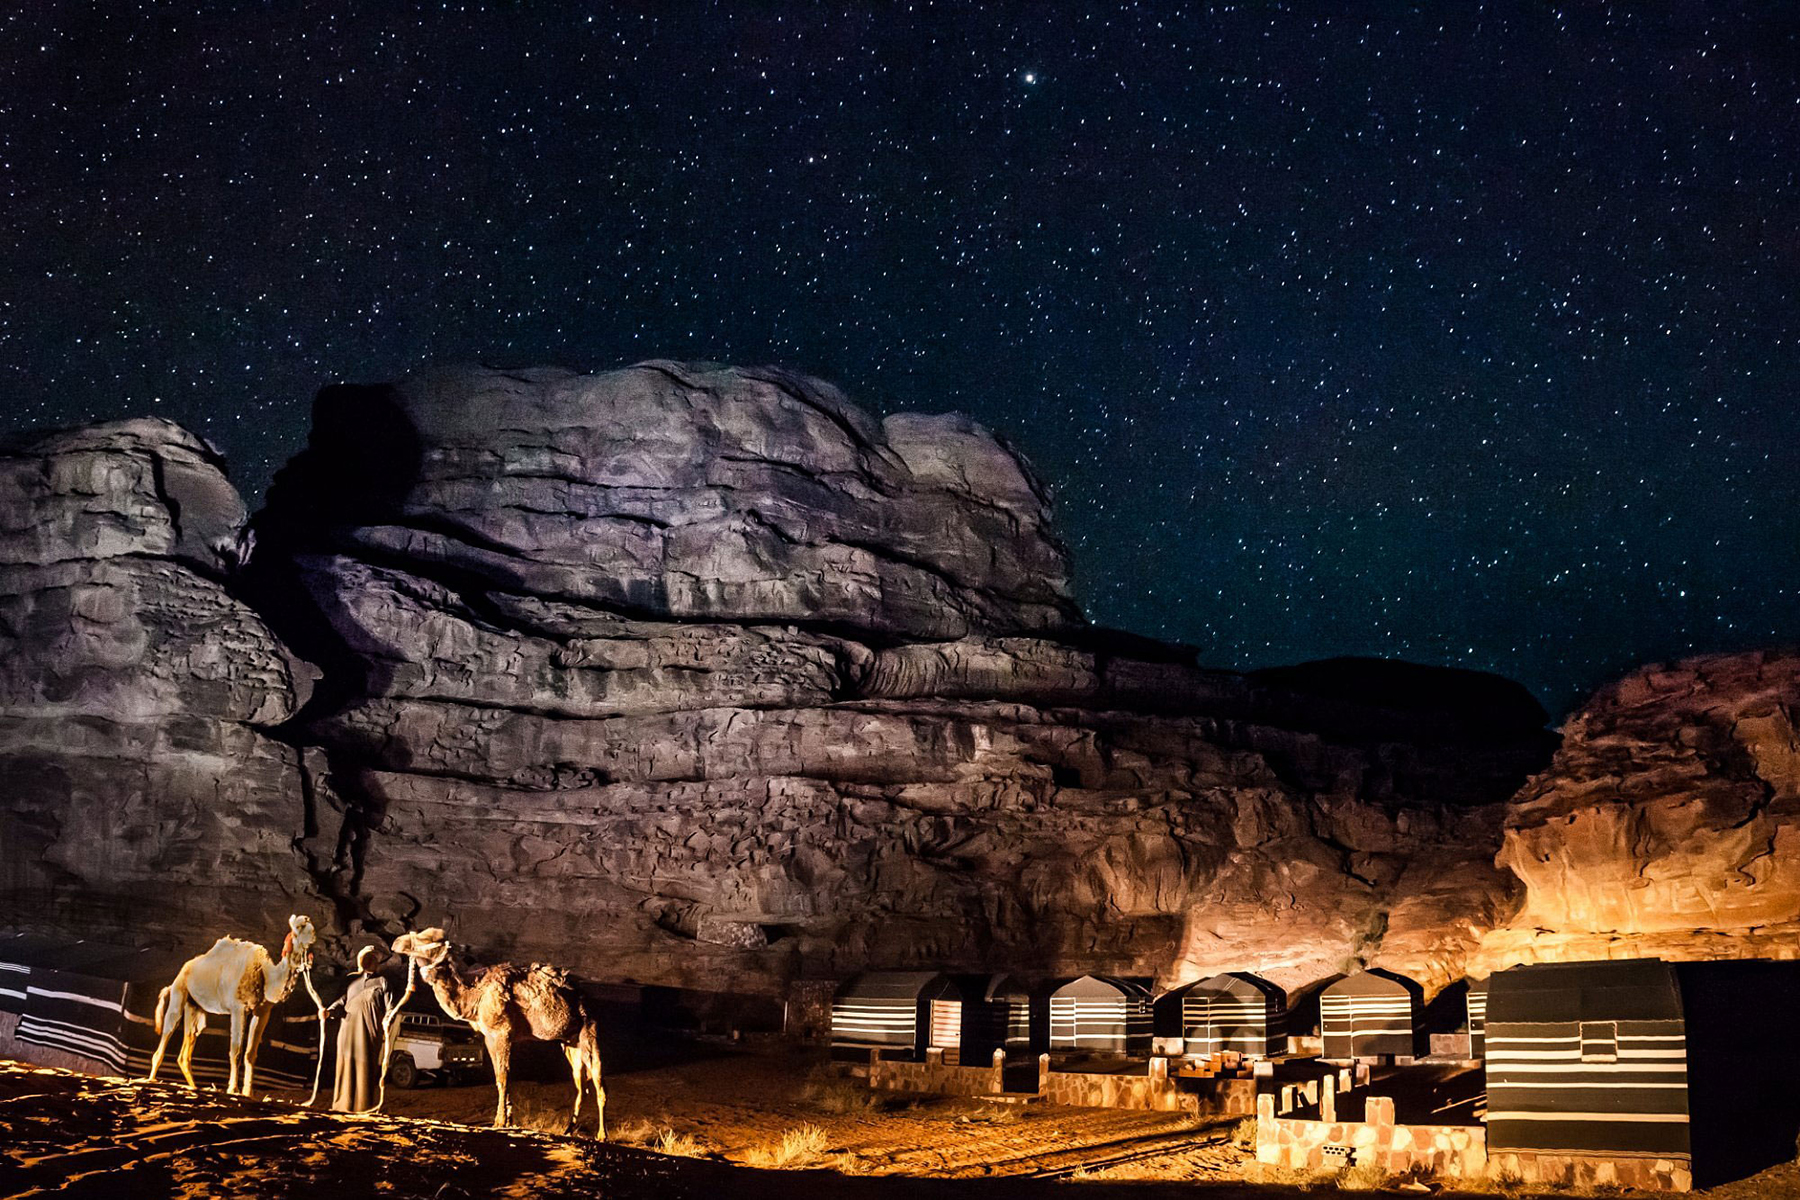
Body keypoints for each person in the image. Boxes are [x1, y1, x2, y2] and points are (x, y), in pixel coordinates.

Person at [329, 945, 396, 1113]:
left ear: (377, 962)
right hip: (347, 1031)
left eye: (373, 958)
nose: (369, 961)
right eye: (366, 958)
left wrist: (388, 1020)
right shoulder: (352, 982)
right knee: (346, 1067)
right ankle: (341, 1107)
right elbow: (341, 1001)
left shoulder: (382, 982)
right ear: (361, 961)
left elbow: (391, 1009)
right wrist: (328, 1011)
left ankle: (362, 1107)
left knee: (364, 1069)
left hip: (368, 1032)